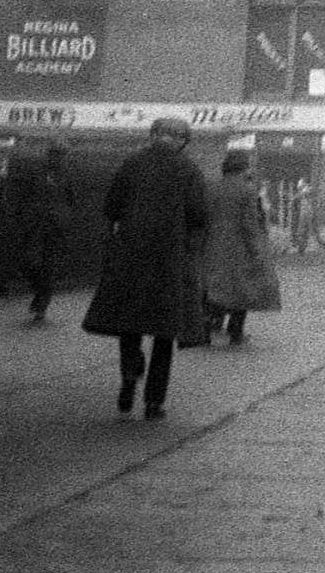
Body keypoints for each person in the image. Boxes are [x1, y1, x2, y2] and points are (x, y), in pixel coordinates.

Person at [82, 117, 208, 418]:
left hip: (131, 254)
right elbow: (199, 214)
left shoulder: (131, 163)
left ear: (153, 135)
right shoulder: (188, 169)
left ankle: (129, 373)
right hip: (169, 257)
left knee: (130, 320)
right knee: (165, 331)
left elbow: (111, 207)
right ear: (181, 140)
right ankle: (154, 401)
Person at [203, 150, 282, 343]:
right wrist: (258, 249)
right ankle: (235, 331)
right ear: (244, 168)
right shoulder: (247, 190)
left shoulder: (211, 186)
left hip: (212, 245)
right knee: (243, 287)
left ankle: (205, 329)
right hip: (238, 247)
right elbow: (249, 224)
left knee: (213, 288)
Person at [17, 142, 75, 323]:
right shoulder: (36, 173)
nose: (58, 159)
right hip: (36, 225)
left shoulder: (68, 176)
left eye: (61, 156)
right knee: (30, 262)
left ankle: (42, 304)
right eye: (55, 155)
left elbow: (72, 200)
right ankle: (40, 294)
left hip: (56, 228)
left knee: (49, 266)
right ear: (49, 156)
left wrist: (64, 218)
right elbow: (25, 197)